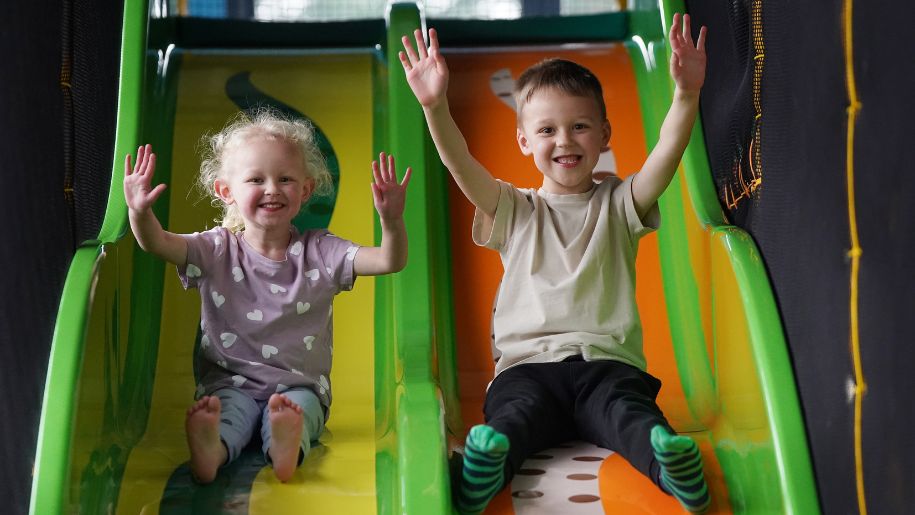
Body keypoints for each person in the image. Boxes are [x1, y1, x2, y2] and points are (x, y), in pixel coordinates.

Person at [400, 12, 710, 514]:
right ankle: (486, 470)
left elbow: (666, 155)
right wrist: (435, 107)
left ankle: (671, 469)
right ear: (525, 142)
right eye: (547, 129)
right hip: (528, 369)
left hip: (606, 367)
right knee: (514, 419)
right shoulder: (515, 211)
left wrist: (686, 94)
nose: (564, 141)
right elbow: (462, 166)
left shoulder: (620, 203)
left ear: (605, 135)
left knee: (629, 416)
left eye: (579, 126)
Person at [122, 110, 411, 483]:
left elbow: (390, 260)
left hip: (298, 387)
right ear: (226, 191)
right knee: (228, 414)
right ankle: (212, 450)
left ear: (305, 190)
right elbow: (157, 243)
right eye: (256, 179)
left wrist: (392, 221)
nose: (272, 188)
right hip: (230, 382)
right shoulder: (216, 250)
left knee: (301, 412)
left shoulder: (320, 252)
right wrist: (138, 212)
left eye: (285, 179)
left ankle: (285, 447)